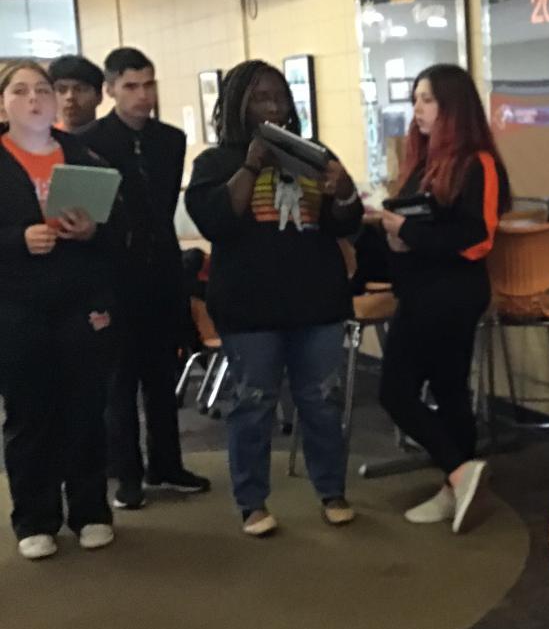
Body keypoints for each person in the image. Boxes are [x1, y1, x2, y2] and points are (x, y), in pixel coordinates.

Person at [184, 60, 364, 536]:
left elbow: (344, 223)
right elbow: (216, 222)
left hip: (317, 301)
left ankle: (332, 491)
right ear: (237, 104)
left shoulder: (314, 154)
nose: (274, 106)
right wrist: (251, 164)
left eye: (280, 97)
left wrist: (344, 192)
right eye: (261, 97)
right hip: (249, 307)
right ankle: (252, 503)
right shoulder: (214, 164)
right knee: (254, 403)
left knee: (321, 401)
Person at [377, 63, 510, 534]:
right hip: (422, 289)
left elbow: (477, 238)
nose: (417, 109)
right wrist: (397, 238)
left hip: (451, 295)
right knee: (450, 392)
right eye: (415, 99)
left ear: (453, 106)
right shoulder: (423, 163)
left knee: (395, 391)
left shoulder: (478, 164)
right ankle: (457, 486)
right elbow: (421, 229)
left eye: (427, 99)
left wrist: (409, 232)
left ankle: (458, 470)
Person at [80, 47, 210, 509]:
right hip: (115, 276)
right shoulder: (90, 142)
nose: (143, 95)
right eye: (131, 86)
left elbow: (161, 208)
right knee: (120, 381)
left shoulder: (170, 140)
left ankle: (167, 464)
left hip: (162, 272)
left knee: (162, 376)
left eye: (149, 84)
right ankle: (127, 474)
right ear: (111, 89)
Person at [0, 60, 118, 559]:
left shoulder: (82, 155)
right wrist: (17, 240)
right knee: (30, 415)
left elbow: (116, 227)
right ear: (3, 104)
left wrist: (92, 231)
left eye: (42, 90)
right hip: (16, 306)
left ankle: (90, 511)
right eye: (20, 91)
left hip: (79, 302)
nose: (34, 99)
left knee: (85, 410)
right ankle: (34, 518)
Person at [48, 54, 104, 131]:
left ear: (99, 96)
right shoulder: (41, 137)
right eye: (61, 90)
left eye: (80, 89)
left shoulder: (114, 136)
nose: (70, 96)